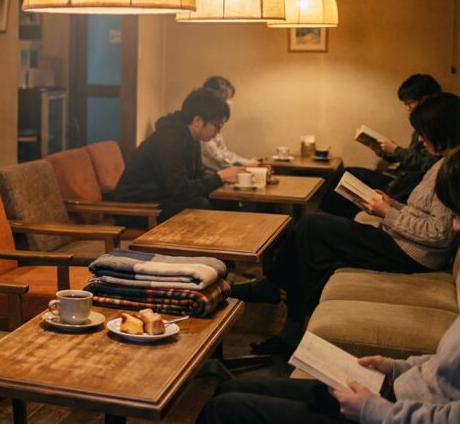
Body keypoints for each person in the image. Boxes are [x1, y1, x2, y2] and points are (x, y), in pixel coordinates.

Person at [196, 147, 460, 424]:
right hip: (396, 393)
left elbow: (439, 233)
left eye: (456, 214)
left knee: (222, 410)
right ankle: (280, 301)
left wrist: (372, 409)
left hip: (389, 412)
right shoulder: (441, 164)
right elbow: (445, 368)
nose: (454, 227)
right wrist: (396, 368)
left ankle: (277, 296)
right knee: (227, 389)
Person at [235, 93, 460, 355]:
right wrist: (393, 205)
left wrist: (387, 213)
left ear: (442, 129)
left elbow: (438, 233)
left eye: (424, 132)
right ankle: (288, 326)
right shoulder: (443, 162)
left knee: (310, 227)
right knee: (314, 248)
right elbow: (425, 215)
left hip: (412, 254)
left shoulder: (452, 169)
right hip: (402, 243)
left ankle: (273, 290)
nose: (420, 139)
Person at [109, 88, 243, 221]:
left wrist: (223, 180)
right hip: (137, 208)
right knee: (200, 206)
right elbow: (180, 190)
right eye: (217, 126)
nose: (218, 132)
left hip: (160, 200)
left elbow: (197, 177)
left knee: (224, 202)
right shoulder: (169, 140)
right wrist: (219, 177)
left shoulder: (192, 138)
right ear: (197, 122)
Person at [321, 74, 442, 218]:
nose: (407, 109)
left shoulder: (434, 127)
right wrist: (386, 154)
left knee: (349, 179)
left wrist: (396, 150)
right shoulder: (422, 125)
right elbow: (413, 158)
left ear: (425, 99)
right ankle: (326, 217)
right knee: (345, 175)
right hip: (400, 177)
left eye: (409, 103)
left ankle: (328, 218)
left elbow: (425, 164)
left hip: (405, 184)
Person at [199, 76, 263, 171]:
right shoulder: (205, 124)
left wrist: (246, 162)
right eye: (227, 98)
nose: (230, 103)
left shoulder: (216, 121)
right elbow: (217, 158)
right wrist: (246, 164)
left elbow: (223, 151)